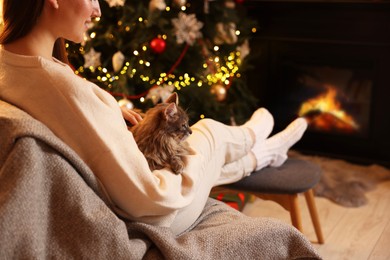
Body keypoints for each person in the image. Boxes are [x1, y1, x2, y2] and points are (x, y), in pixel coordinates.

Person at [0, 0, 308, 236]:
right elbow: (150, 199)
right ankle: (257, 136)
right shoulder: (63, 88)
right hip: (157, 217)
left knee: (204, 156)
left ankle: (261, 156)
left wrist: (106, 112)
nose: (97, 10)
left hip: (120, 197)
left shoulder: (12, 64)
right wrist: (99, 109)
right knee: (209, 132)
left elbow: (67, 113)